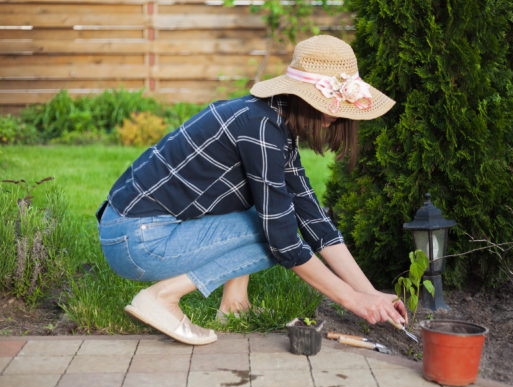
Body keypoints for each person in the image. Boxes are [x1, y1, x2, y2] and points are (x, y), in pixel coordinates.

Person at [96, 35, 406, 345]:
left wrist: (370, 293)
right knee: (275, 231)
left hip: (136, 231)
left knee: (273, 213)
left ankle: (234, 305)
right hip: (136, 240)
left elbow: (313, 219)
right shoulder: (259, 128)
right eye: (329, 106)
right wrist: (354, 301)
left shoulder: (272, 124)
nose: (335, 116)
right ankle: (161, 297)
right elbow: (284, 241)